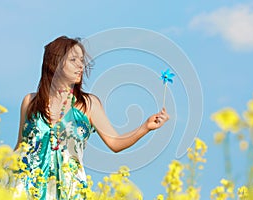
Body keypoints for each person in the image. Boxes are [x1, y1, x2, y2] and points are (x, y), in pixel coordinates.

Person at [14, 36, 169, 199]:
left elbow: (115, 142)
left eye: (81, 60)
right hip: (27, 189)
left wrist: (146, 127)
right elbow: (19, 148)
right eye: (73, 60)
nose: (80, 65)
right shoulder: (30, 102)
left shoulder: (88, 104)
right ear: (55, 64)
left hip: (70, 191)